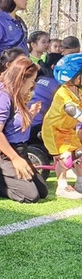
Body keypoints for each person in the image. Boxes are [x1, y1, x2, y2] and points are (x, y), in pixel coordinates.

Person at [0, 57, 47, 203]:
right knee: (31, 195)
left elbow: (14, 127)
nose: (33, 85)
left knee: (42, 191)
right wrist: (15, 159)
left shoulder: (15, 93)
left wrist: (30, 115)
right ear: (21, 79)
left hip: (17, 149)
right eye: (32, 80)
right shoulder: (1, 97)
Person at [41, 53, 82, 199]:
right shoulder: (63, 92)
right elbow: (70, 109)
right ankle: (62, 186)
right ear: (75, 77)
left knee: (79, 154)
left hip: (67, 129)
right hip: (54, 129)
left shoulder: (79, 92)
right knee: (65, 156)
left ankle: (80, 182)